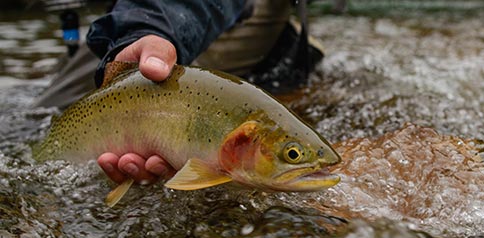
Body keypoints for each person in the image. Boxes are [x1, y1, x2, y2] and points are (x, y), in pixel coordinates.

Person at [35, 0, 324, 186]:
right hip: (135, 14)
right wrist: (142, 34)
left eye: (293, 154)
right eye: (294, 154)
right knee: (49, 111)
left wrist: (151, 28)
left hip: (230, 9)